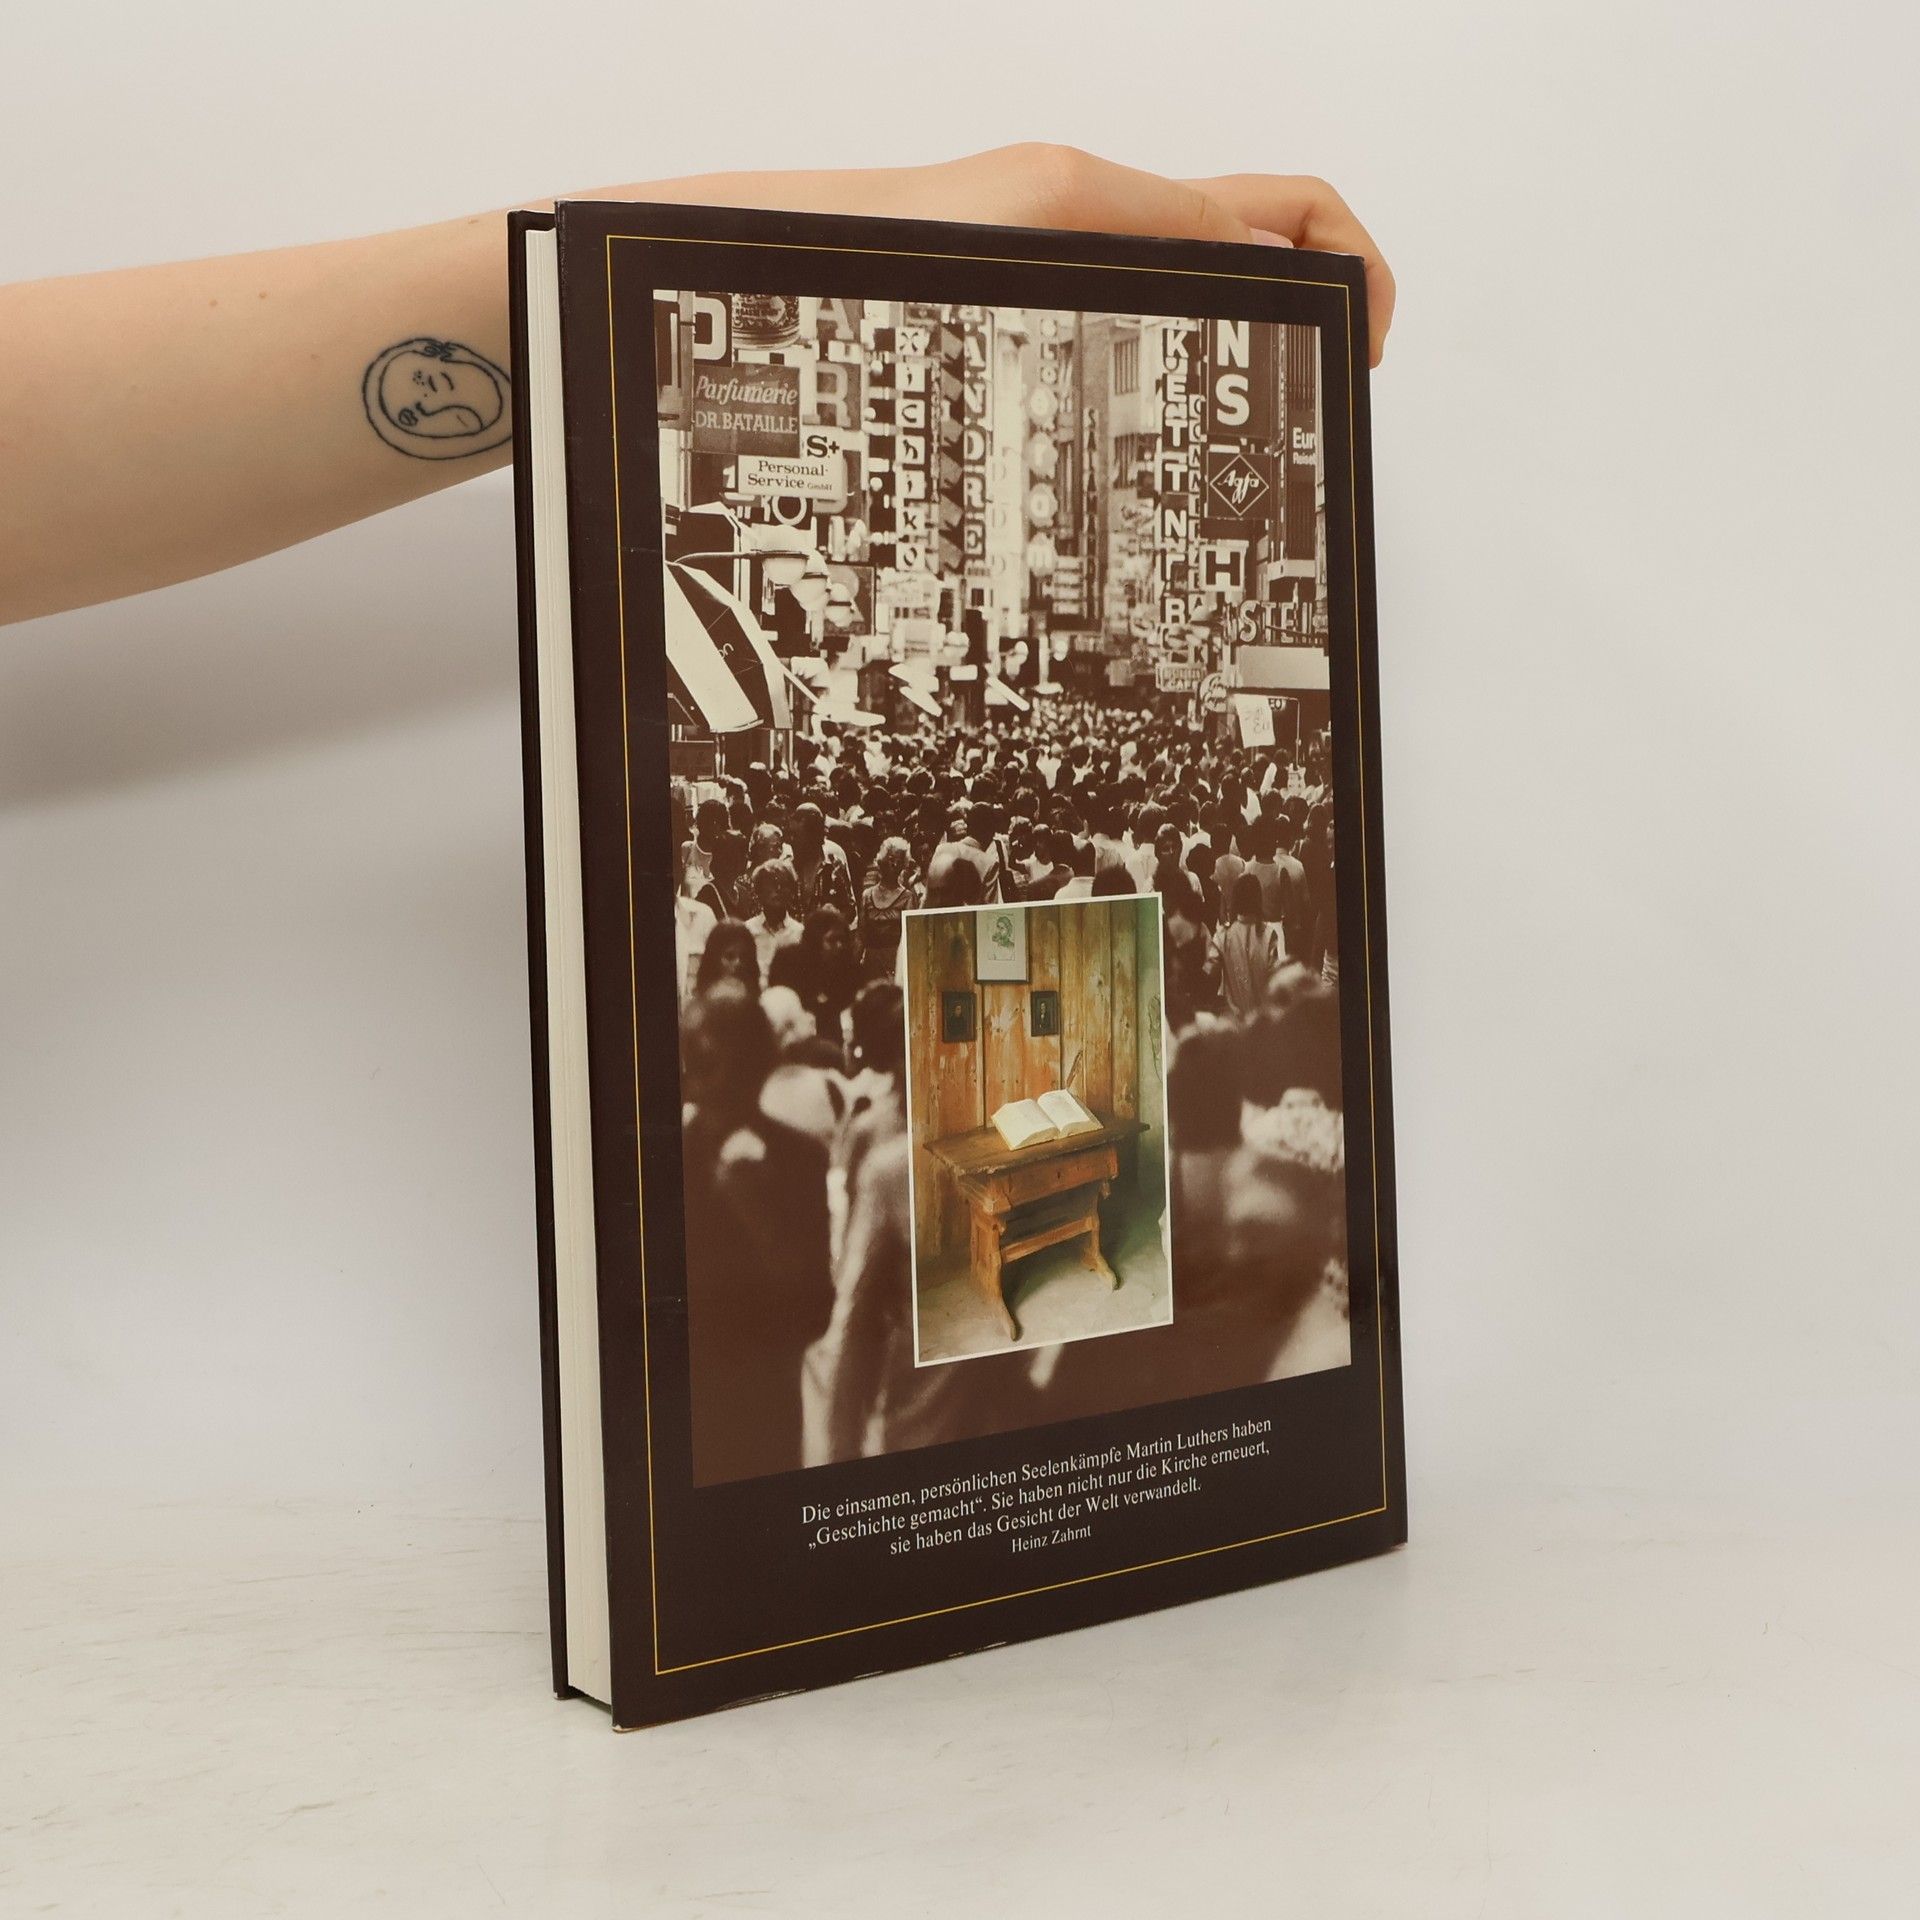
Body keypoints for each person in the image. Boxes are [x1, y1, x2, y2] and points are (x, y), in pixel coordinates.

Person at [678, 982, 834, 1483]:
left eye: (722, 1059)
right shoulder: (660, 1163)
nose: (709, 1078)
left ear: (759, 1063)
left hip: (765, 1400)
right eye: (699, 1060)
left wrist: (759, 1217)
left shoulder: (801, 1160)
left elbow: (816, 1310)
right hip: (687, 1404)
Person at [1209, 873, 1285, 1016]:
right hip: (1263, 1017)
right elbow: (1275, 976)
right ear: (1258, 900)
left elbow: (1210, 972)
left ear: (1235, 900)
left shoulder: (1223, 935)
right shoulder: (1269, 934)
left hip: (1234, 1019)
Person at [857, 837, 919, 979]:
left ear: (903, 865)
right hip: (871, 963)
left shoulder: (907, 897)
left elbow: (911, 939)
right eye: (891, 858)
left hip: (895, 963)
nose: (894, 864)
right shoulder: (867, 895)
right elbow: (860, 936)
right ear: (881, 860)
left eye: (899, 860)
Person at [742, 858, 804, 983]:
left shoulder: (801, 934)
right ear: (759, 891)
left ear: (791, 892)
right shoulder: (746, 932)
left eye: (784, 884)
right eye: (771, 884)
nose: (778, 889)